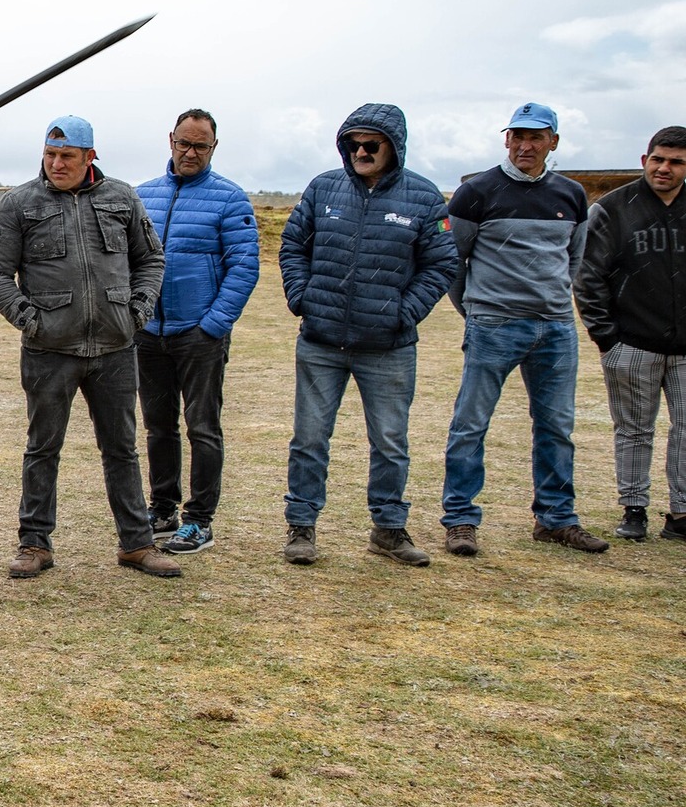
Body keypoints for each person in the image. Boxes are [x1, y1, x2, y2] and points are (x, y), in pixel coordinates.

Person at [0, 116, 177, 580]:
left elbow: (151, 258)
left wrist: (137, 311)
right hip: (50, 349)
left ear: (91, 157)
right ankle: (34, 544)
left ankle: (136, 544)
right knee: (42, 448)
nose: (56, 163)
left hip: (115, 346)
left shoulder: (122, 198)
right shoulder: (18, 204)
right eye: (50, 155)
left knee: (122, 449)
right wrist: (31, 320)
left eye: (67, 156)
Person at [278, 104, 458, 567]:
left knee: (391, 441)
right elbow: (294, 244)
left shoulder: (424, 197)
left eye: (370, 144)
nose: (360, 151)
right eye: (352, 143)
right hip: (321, 341)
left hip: (389, 347)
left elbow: (442, 263)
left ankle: (389, 529)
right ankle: (301, 526)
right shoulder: (322, 188)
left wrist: (405, 312)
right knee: (310, 438)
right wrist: (302, 296)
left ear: (393, 147)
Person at [438, 103, 607, 556]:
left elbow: (574, 259)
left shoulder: (572, 196)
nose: (525, 146)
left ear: (554, 141)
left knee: (557, 426)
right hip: (493, 324)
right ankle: (460, 519)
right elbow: (454, 263)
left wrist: (552, 303)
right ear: (506, 139)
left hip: (554, 328)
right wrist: (476, 311)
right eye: (517, 136)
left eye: (536, 137)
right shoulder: (476, 192)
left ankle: (555, 519)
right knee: (471, 424)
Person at [134, 109, 260, 555]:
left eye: (200, 146)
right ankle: (163, 507)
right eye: (184, 143)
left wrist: (214, 325)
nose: (190, 153)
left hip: (199, 335)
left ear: (213, 148)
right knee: (157, 427)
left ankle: (199, 519)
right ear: (170, 140)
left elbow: (244, 267)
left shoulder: (230, 199)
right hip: (147, 334)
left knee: (202, 427)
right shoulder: (141, 196)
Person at [574, 125, 686, 543]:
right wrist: (607, 337)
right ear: (645, 160)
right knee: (634, 430)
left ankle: (681, 513)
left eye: (676, 162)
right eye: (658, 159)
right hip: (632, 343)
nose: (664, 168)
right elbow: (589, 277)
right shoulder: (615, 208)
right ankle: (633, 508)